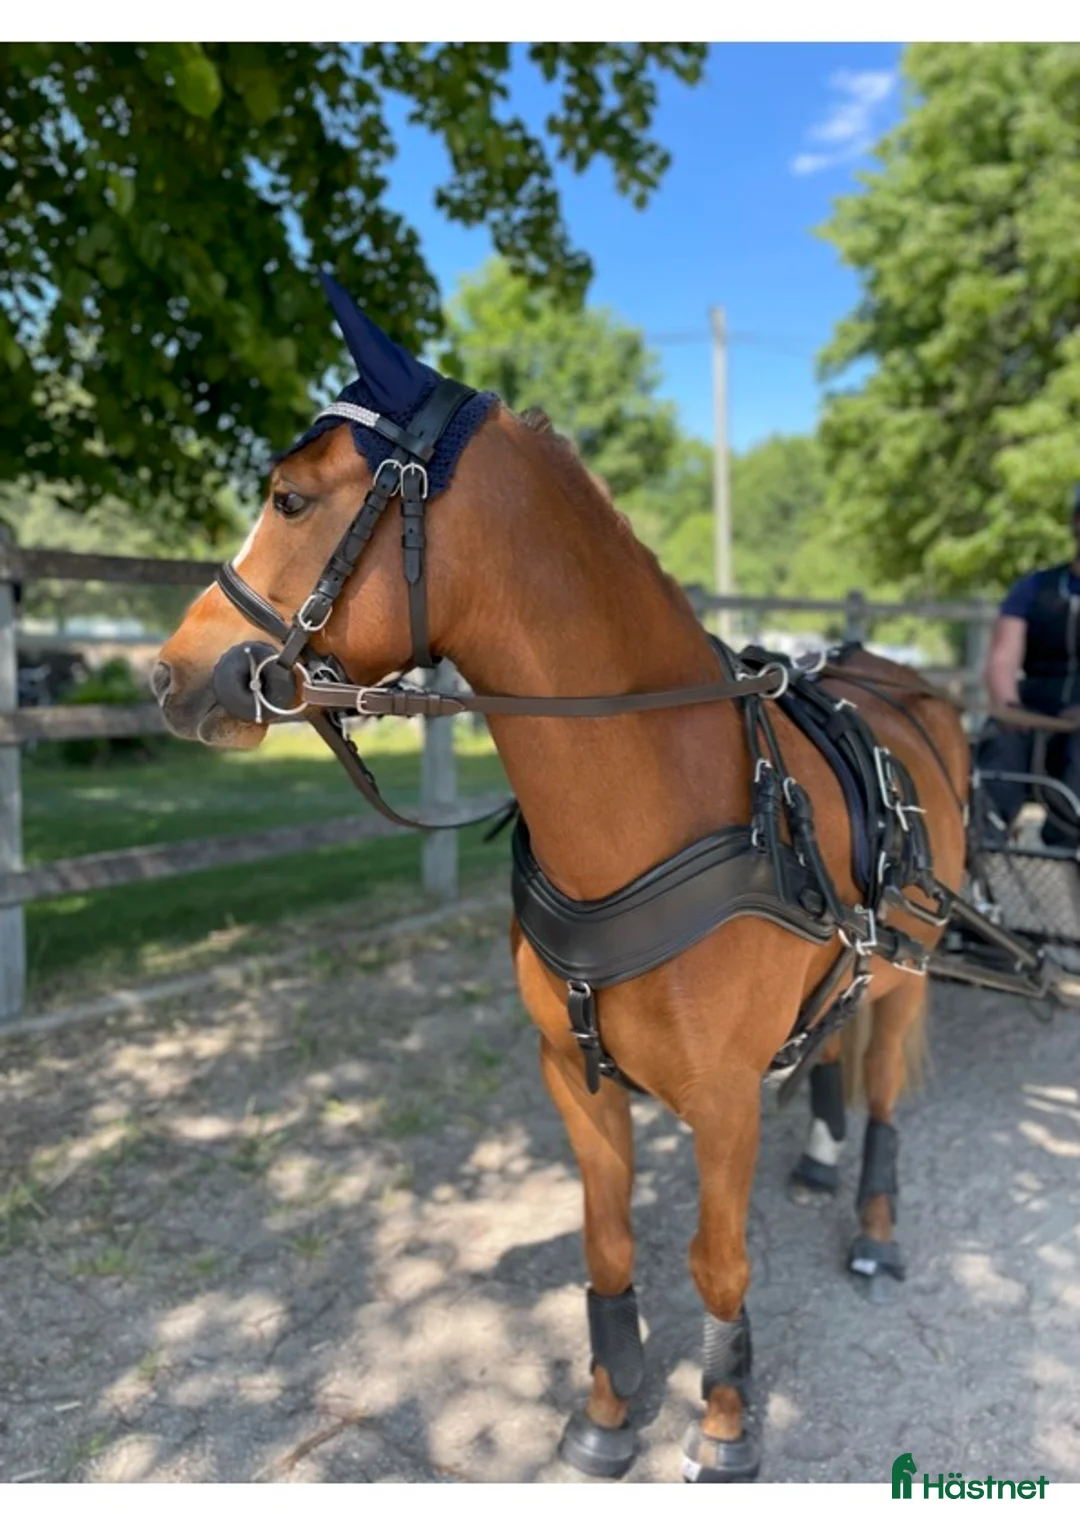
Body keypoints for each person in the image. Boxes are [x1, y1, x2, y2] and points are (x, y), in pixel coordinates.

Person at [979, 485, 1080, 842]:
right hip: (1035, 700)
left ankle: (1065, 855)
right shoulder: (1035, 588)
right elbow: (1003, 658)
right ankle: (983, 854)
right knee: (998, 750)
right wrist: (1009, 706)